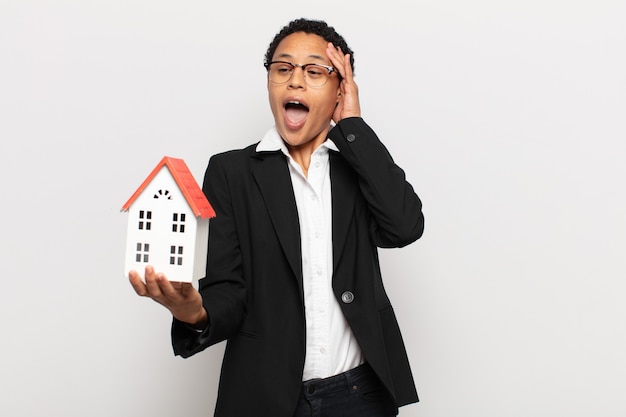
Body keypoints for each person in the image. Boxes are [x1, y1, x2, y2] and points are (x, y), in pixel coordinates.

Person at [129, 17, 425, 417]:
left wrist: (352, 124)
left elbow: (404, 226)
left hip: (360, 395)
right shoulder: (230, 172)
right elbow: (228, 290)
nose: (295, 81)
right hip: (263, 397)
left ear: (340, 88)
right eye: (282, 68)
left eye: (315, 71)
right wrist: (194, 312)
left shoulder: (357, 168)